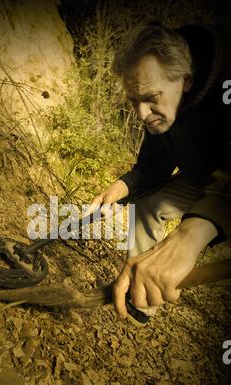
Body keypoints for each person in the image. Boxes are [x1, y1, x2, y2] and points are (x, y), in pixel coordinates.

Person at [86, 22, 231, 325]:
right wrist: (120, 187)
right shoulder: (159, 115)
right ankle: (141, 297)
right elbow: (152, 167)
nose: (142, 114)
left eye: (151, 98)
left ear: (186, 80)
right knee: (148, 206)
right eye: (134, 102)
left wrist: (189, 236)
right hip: (198, 178)